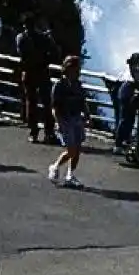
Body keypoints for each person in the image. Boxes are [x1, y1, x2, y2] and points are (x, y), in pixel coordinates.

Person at [47, 56, 88, 188]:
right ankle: (55, 166)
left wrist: (87, 115)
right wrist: (58, 122)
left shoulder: (78, 85)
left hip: (76, 118)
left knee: (77, 148)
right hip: (64, 119)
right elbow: (54, 107)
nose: (78, 71)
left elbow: (83, 101)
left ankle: (70, 175)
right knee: (71, 149)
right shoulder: (59, 86)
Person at [15, 23, 58, 145]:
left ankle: (33, 132)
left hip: (28, 72)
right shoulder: (44, 38)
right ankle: (49, 132)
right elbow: (54, 53)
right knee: (47, 104)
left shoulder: (21, 37)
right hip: (43, 72)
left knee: (31, 103)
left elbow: (20, 53)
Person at [113, 40, 139, 150]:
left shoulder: (136, 60)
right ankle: (119, 145)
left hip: (124, 87)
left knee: (126, 119)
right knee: (126, 119)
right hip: (129, 89)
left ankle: (122, 143)